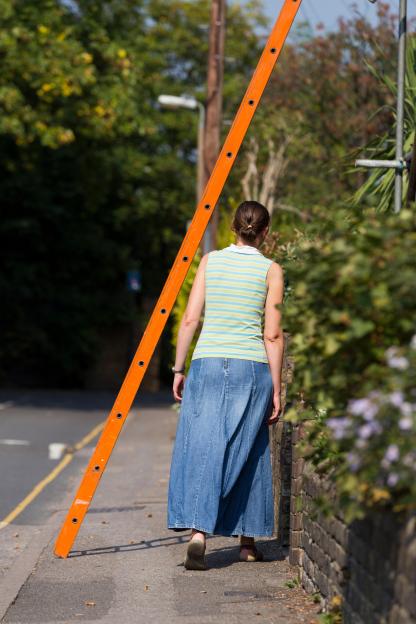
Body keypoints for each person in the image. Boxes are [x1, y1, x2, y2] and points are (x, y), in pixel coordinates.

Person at [167, 200, 285, 570]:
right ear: (265, 233)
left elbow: (189, 319)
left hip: (206, 361)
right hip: (251, 367)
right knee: (250, 447)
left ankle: (199, 533)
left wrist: (178, 367)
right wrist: (277, 389)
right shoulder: (271, 270)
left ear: (234, 227)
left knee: (201, 444)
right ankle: (247, 545)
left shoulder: (210, 261)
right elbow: (273, 334)